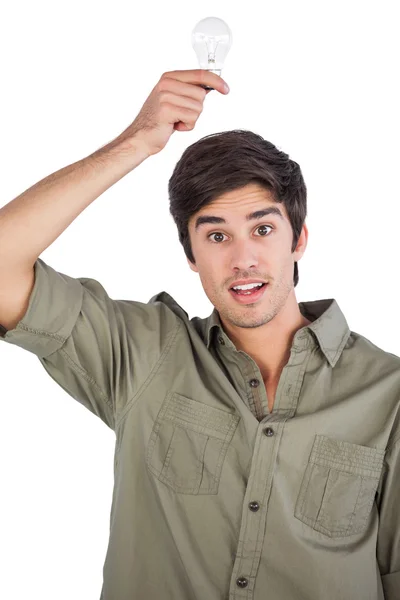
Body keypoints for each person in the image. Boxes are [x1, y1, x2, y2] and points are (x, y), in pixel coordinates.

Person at [0, 69, 398, 600]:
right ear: (190, 254)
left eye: (263, 228)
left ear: (298, 238)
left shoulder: (389, 394)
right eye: (216, 235)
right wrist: (136, 141)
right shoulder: (143, 355)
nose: (243, 259)